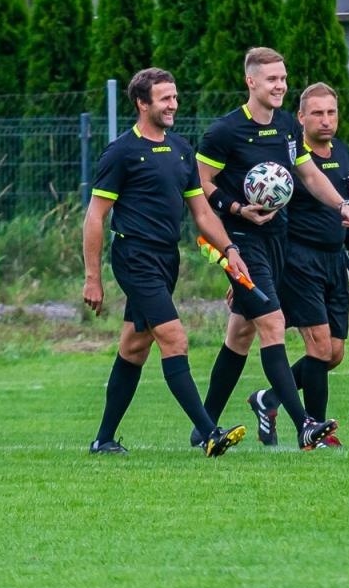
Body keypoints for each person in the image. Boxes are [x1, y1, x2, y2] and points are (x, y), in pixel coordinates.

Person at [194, 47, 349, 451]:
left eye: (283, 78)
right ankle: (304, 423)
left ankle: (203, 427)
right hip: (240, 243)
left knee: (240, 334)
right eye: (272, 79)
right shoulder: (225, 131)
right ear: (251, 81)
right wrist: (236, 208)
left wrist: (340, 204)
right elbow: (199, 184)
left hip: (278, 240)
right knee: (272, 325)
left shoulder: (288, 126)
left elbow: (307, 172)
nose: (281, 85)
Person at [81, 68, 250, 456]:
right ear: (143, 103)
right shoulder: (122, 151)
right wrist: (93, 278)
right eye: (165, 99)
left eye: (175, 97)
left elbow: (202, 213)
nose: (173, 104)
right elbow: (95, 217)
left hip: (166, 258)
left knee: (135, 346)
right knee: (174, 337)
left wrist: (230, 251)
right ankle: (208, 433)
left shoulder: (180, 149)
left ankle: (103, 439)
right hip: (134, 256)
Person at [252, 81, 349, 447]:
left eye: (331, 112)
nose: (325, 120)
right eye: (316, 113)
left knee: (333, 353)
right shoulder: (290, 161)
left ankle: (268, 399)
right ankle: (314, 432)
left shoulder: (344, 154)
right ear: (301, 117)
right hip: (299, 262)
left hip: (336, 263)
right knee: (318, 349)